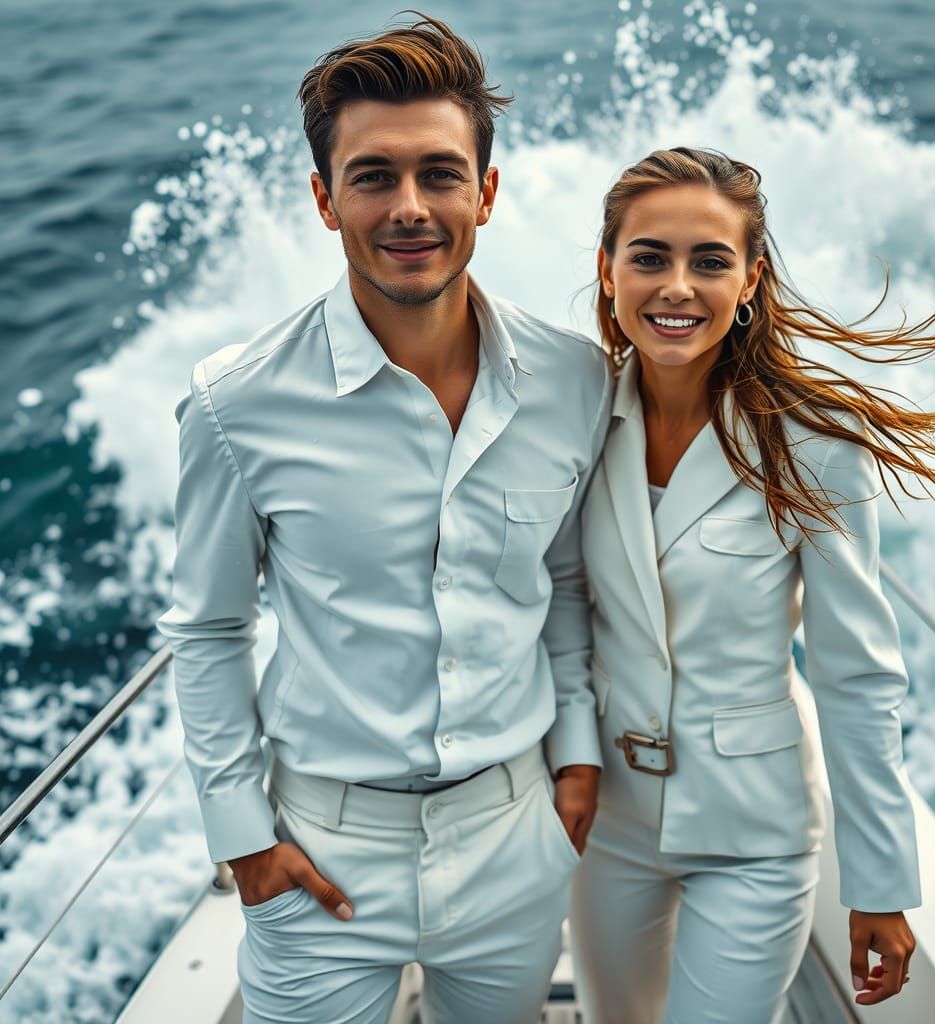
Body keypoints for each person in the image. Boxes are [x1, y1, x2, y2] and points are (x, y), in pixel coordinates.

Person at [157, 15, 610, 1024]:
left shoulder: (575, 380)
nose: (410, 207)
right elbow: (208, 628)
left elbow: (569, 583)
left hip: (514, 834)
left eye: (440, 174)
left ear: (485, 193)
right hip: (320, 845)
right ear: (325, 199)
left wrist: (576, 757)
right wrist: (241, 833)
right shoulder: (236, 404)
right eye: (372, 176)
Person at [570, 146, 935, 1023]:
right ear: (608, 271)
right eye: (650, 257)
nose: (677, 285)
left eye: (709, 261)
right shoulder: (567, 420)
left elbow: (855, 674)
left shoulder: (814, 444)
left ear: (749, 280)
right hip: (605, 822)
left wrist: (879, 885)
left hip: (756, 833)